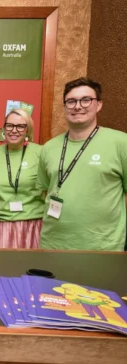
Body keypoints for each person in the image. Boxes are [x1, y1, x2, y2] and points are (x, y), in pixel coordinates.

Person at [37, 77, 127, 251]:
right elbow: (45, 190)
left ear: (98, 105)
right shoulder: (49, 148)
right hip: (52, 244)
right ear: (64, 106)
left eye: (86, 100)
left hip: (103, 247)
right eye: (71, 101)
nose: (78, 106)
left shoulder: (121, 143)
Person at [0, 109, 44, 249]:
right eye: (10, 125)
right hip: (2, 224)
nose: (14, 130)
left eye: (20, 126)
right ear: (4, 128)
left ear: (27, 130)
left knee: (33, 269)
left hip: (33, 224)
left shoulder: (41, 152)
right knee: (2, 268)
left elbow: (50, 189)